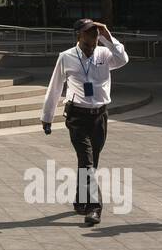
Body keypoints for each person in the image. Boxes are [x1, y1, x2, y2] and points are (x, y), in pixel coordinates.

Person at [40, 19, 129, 225]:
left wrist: (108, 35)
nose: (93, 43)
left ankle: (81, 199)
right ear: (79, 36)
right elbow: (55, 88)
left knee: (90, 163)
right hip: (77, 117)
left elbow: (123, 58)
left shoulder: (104, 54)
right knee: (87, 161)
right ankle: (94, 208)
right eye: (89, 38)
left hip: (100, 116)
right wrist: (47, 117)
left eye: (96, 38)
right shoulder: (66, 57)